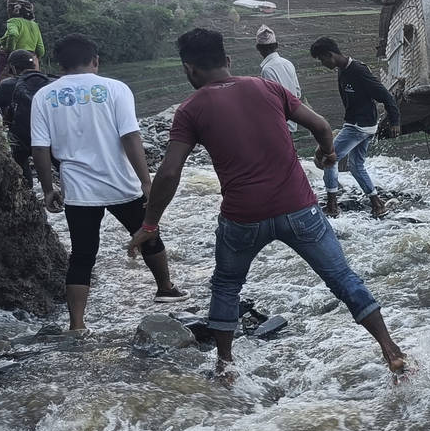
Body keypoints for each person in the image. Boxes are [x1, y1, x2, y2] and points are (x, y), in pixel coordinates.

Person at [127, 28, 405, 379]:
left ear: (189, 69)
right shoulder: (268, 88)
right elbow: (320, 125)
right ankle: (390, 349)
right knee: (342, 278)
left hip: (243, 218)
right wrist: (328, 152)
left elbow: (168, 174)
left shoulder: (190, 109)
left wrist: (149, 225)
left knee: (226, 286)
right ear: (227, 61)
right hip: (300, 210)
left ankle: (225, 366)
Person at [30, 34, 188, 336]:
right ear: (96, 60)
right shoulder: (115, 89)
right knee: (148, 233)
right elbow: (130, 136)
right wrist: (146, 181)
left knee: (82, 254)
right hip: (122, 183)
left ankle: (77, 324)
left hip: (78, 189)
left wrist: (48, 187)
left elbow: (40, 147)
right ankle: (165, 288)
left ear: (59, 65)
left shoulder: (44, 96)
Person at [310, 37, 400, 218]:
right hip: (359, 124)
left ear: (330, 55)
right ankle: (377, 203)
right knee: (356, 166)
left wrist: (395, 120)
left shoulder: (358, 70)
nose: (322, 63)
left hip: (359, 126)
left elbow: (385, 96)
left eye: (322, 59)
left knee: (330, 158)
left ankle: (332, 206)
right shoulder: (342, 70)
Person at [0, 49, 52, 182]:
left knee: (20, 162)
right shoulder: (50, 82)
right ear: (34, 65)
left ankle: (27, 189)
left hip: (21, 137)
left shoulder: (8, 84)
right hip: (50, 134)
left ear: (12, 68)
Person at [256, 25, 303, 132]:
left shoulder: (267, 70)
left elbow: (272, 101)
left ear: (258, 48)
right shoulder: (288, 63)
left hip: (279, 123)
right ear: (277, 45)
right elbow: (297, 93)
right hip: (292, 120)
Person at [0, 0, 45, 82]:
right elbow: (41, 50)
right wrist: (34, 57)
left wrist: (10, 51)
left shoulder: (14, 21)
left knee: (4, 83)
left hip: (13, 60)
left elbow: (13, 34)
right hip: (31, 60)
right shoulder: (34, 25)